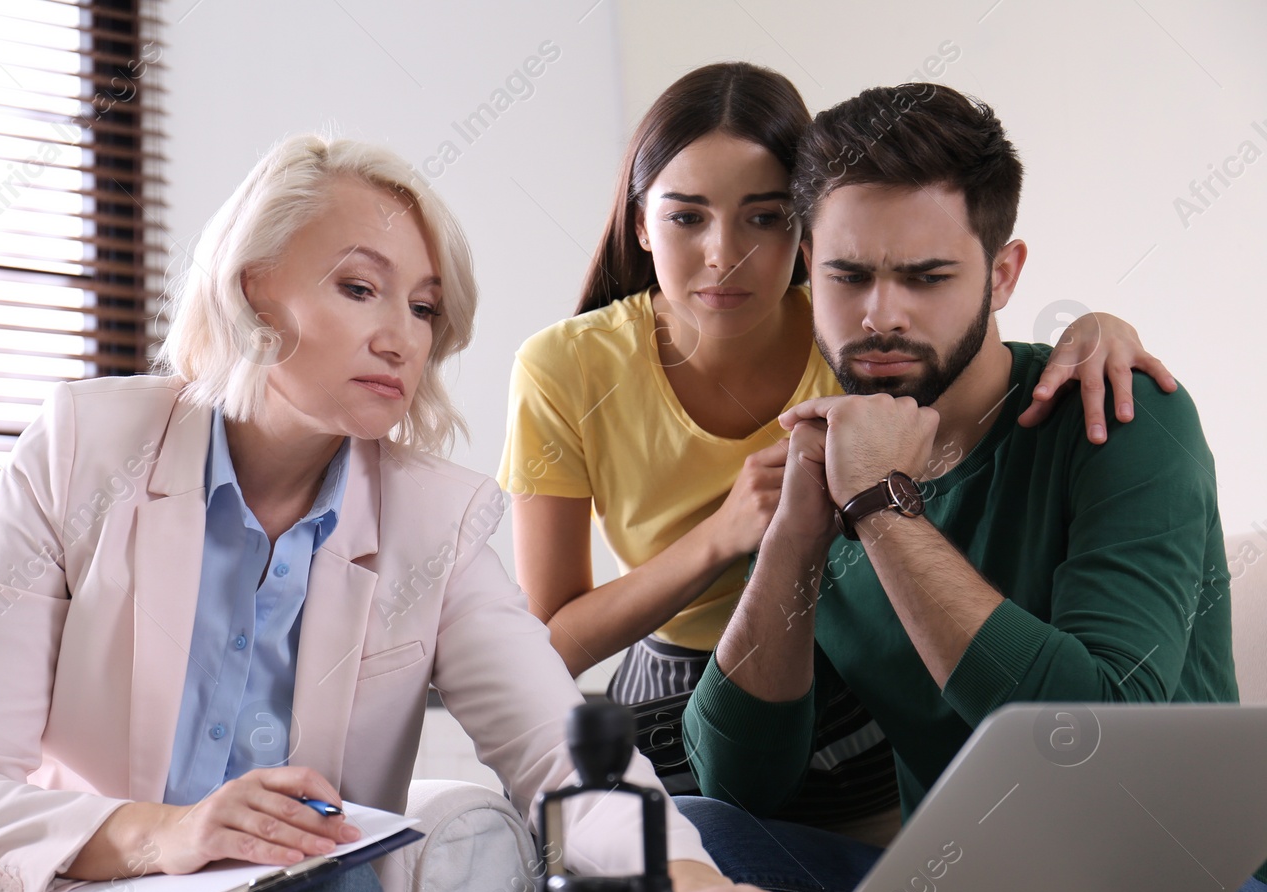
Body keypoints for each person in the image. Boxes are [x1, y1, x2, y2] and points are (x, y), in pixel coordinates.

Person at [0, 134, 829, 892]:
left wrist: (685, 881)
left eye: (423, 308)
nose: (399, 337)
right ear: (254, 288)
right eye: (359, 288)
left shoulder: (432, 520)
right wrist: (163, 833)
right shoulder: (83, 447)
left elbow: (552, 742)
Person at [679, 82, 1263, 892]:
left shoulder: (1119, 418)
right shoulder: (835, 457)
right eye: (848, 274)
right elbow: (739, 777)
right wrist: (797, 528)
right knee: (687, 841)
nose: (880, 314)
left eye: (925, 275)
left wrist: (882, 507)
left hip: (1193, 890)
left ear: (1001, 275)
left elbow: (1098, 738)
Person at [497, 62, 1174, 833]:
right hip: (687, 678)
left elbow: (970, 337)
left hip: (851, 670)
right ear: (641, 221)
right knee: (657, 864)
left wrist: (1096, 327)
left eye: (765, 217)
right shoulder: (570, 367)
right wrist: (733, 532)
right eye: (687, 217)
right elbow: (546, 642)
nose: (726, 255)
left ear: (803, 234)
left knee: (881, 865)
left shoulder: (856, 340)